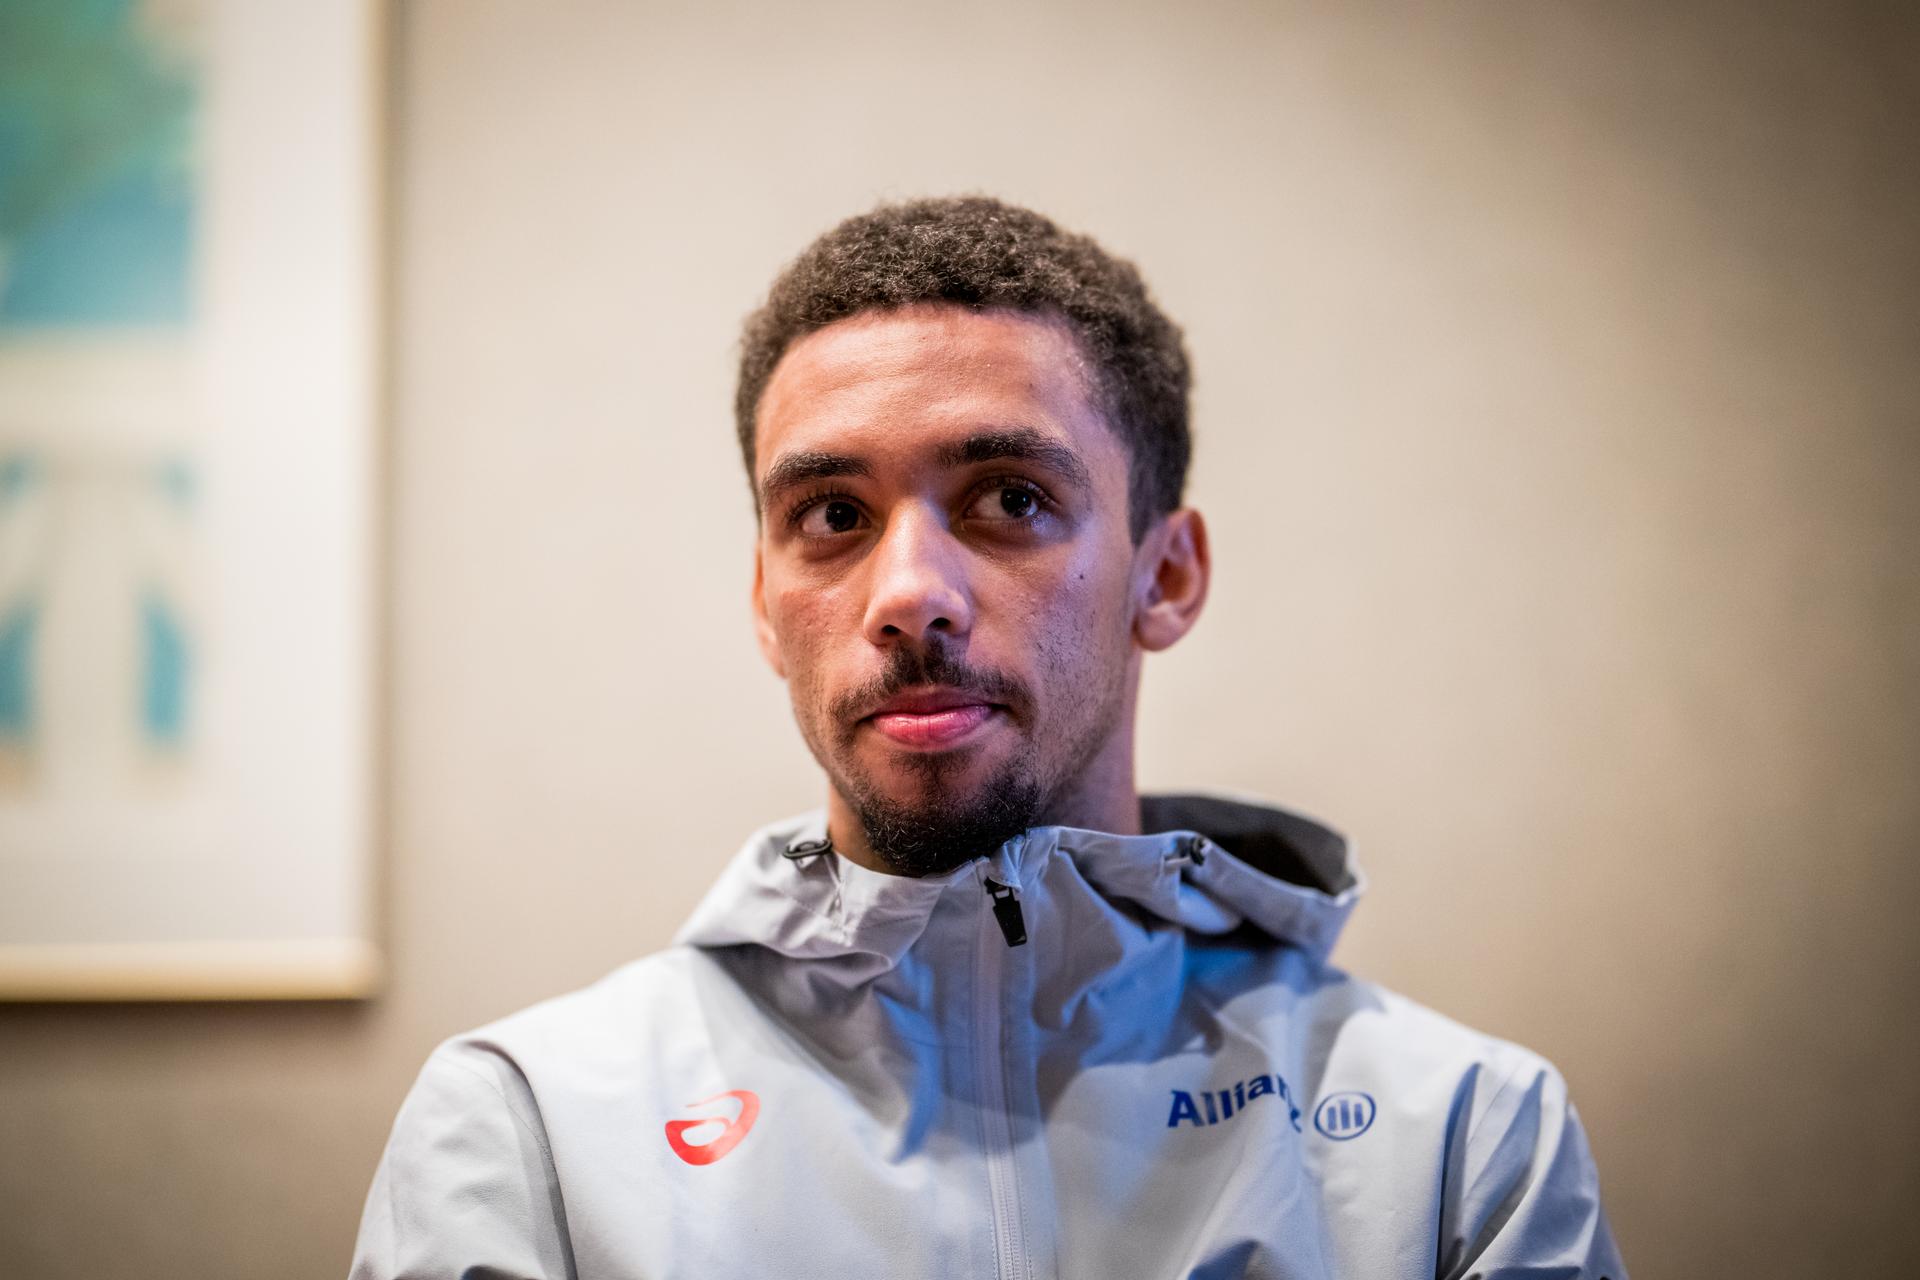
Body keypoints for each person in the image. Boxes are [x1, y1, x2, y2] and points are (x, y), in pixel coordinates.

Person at [350, 196, 1627, 1279]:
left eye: (1011, 498)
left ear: (1165, 575)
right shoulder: (532, 1132)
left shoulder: (1462, 1142)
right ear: (764, 600)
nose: (908, 591)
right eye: (833, 514)